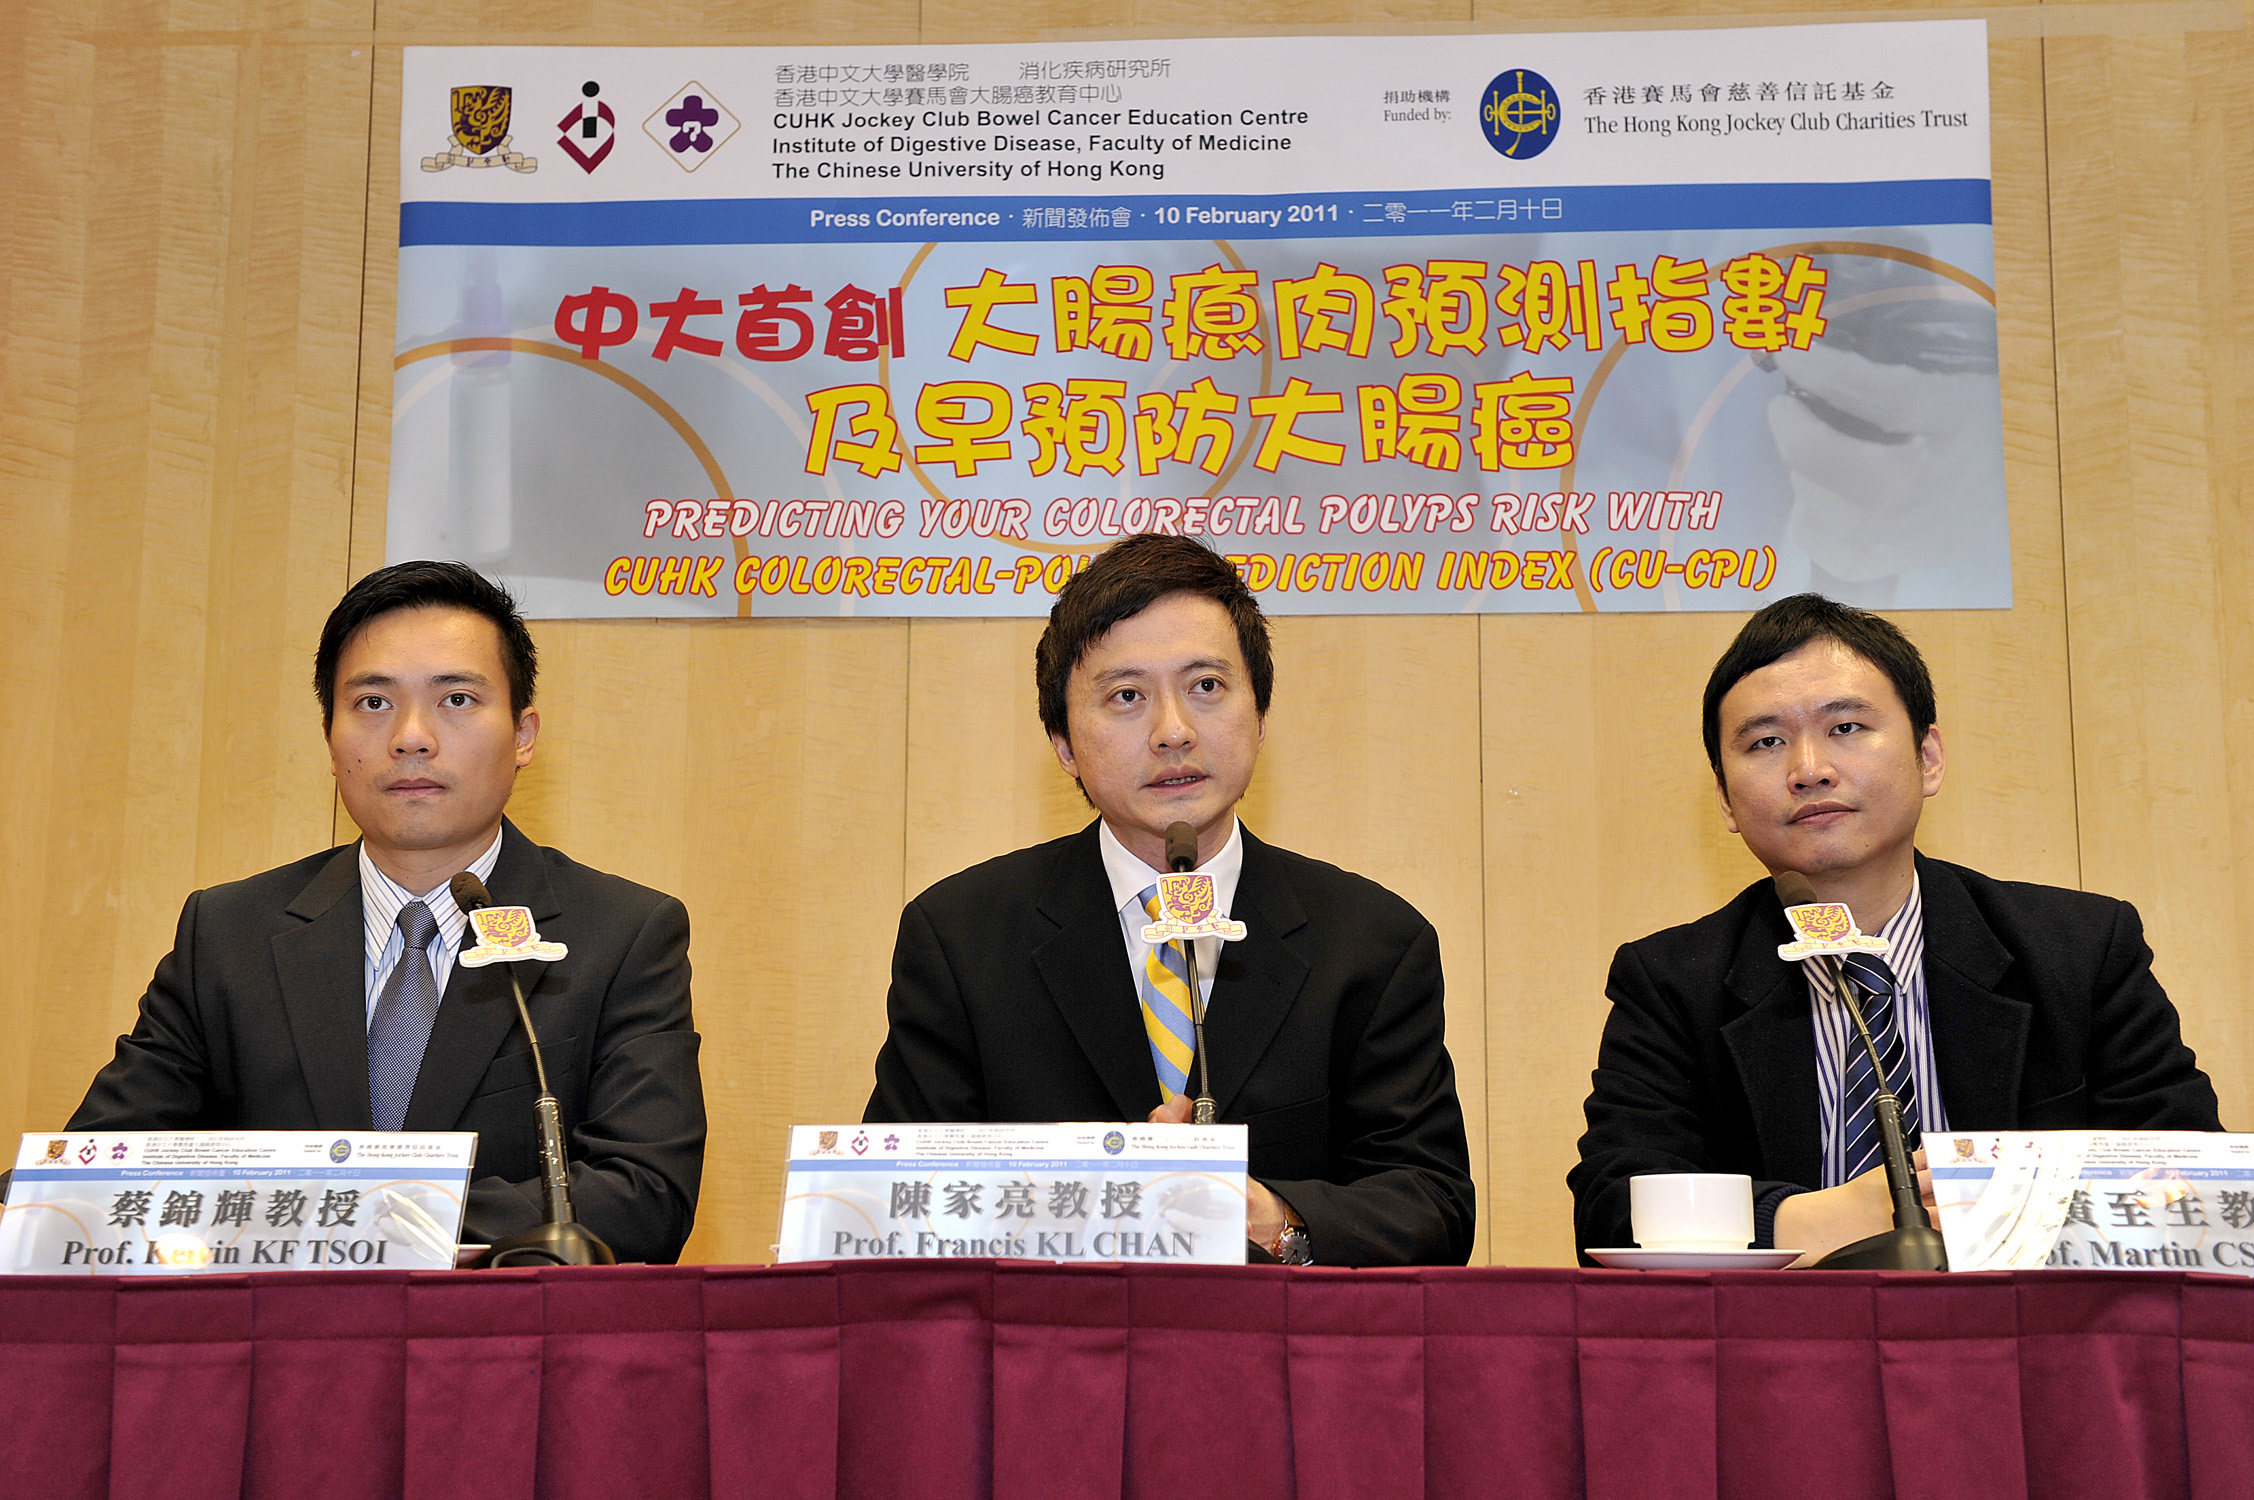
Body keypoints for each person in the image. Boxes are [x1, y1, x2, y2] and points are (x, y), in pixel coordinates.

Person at [51, 562, 706, 1263]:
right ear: (329, 738)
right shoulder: (229, 934)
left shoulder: (621, 934)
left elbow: (646, 1192)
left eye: (456, 699)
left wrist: (359, 1214)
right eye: (372, 703)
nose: (412, 737)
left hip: (501, 1354)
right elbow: (94, 1177)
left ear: (523, 735)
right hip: (280, 1355)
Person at [866, 533, 1474, 1267]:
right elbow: (902, 1199)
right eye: (1126, 697)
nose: (1173, 732)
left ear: (1260, 711)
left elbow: (1430, 1207)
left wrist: (1273, 1216)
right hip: (1049, 1361)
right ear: (1062, 742)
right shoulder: (961, 937)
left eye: (1207, 687)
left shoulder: (1371, 941)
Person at [1570, 594, 2221, 1262]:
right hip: (1783, 1353)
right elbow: (1615, 1210)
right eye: (1766, 742)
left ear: (1928, 756)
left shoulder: (2079, 952)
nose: (1808, 769)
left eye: (1846, 727)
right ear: (1726, 801)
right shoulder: (1674, 982)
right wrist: (1844, 1214)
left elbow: (2193, 1184)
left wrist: (2005, 1201)